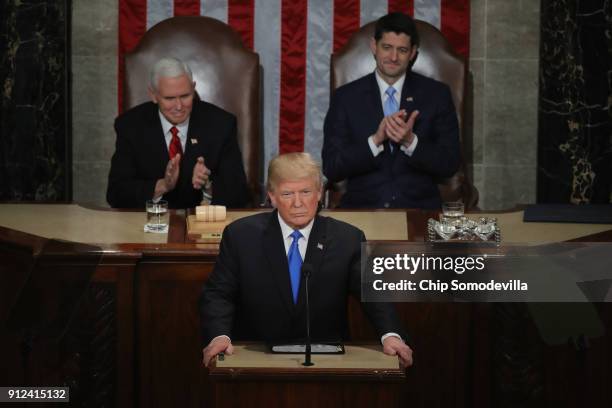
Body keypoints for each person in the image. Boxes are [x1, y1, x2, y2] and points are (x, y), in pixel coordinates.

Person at [199, 152, 413, 367]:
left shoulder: (347, 238)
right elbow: (218, 293)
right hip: (256, 355)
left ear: (319, 193)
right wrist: (219, 336)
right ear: (272, 196)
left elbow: (374, 294)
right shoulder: (240, 236)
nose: (298, 203)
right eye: (287, 194)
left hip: (327, 359)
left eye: (305, 192)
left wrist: (390, 335)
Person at [322, 12, 461, 209]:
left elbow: (449, 163)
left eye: (402, 50)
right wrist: (375, 141)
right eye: (387, 47)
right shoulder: (345, 97)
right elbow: (332, 167)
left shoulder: (436, 95)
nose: (393, 57)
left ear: (412, 53)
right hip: (363, 209)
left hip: (419, 211)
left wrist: (411, 142)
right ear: (374, 46)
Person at [107, 57, 250, 209]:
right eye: (169, 98)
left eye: (185, 96)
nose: (179, 106)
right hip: (148, 224)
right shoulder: (130, 126)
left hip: (202, 225)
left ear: (193, 88)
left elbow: (240, 194)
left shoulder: (221, 124)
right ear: (153, 95)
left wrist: (207, 186)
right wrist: (162, 185)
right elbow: (116, 194)